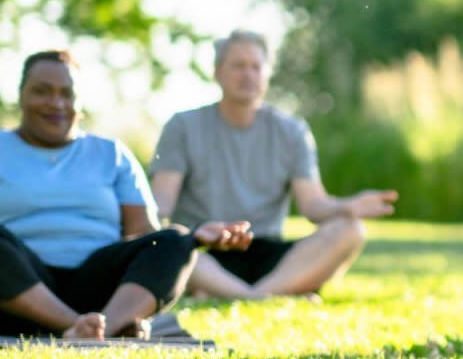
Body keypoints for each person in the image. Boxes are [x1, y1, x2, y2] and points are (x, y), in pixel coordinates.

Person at [0, 51, 251, 340]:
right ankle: (76, 327)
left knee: (173, 238)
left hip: (98, 286)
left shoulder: (111, 154)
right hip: (17, 286)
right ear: (21, 95)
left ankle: (102, 325)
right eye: (42, 92)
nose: (56, 103)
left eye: (67, 94)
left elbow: (144, 234)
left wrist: (193, 238)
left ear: (80, 102)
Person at [149, 29, 398, 300]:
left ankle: (243, 293)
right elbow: (161, 204)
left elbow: (313, 206)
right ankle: (269, 295)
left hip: (270, 256)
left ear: (267, 74)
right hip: (205, 252)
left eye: (256, 67)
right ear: (218, 72)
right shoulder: (182, 127)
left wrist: (347, 207)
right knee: (169, 238)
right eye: (238, 66)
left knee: (350, 230)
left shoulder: (292, 130)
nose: (248, 75)